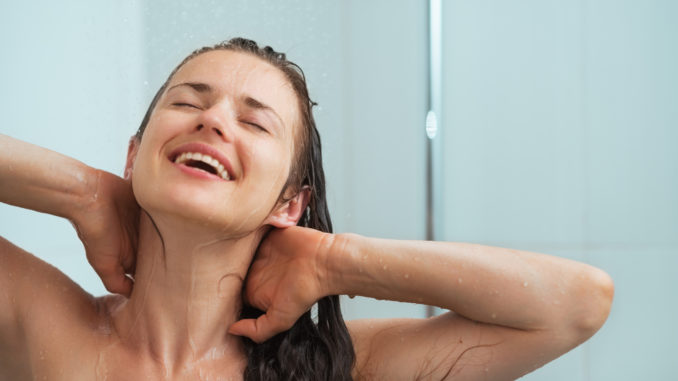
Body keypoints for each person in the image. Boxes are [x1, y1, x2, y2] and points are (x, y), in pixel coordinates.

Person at [0, 38, 614, 380]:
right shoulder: (43, 324)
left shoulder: (343, 369)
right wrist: (79, 190)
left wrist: (336, 261)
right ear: (134, 157)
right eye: (190, 102)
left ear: (291, 203)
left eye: (254, 122)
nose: (212, 120)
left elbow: (576, 305)